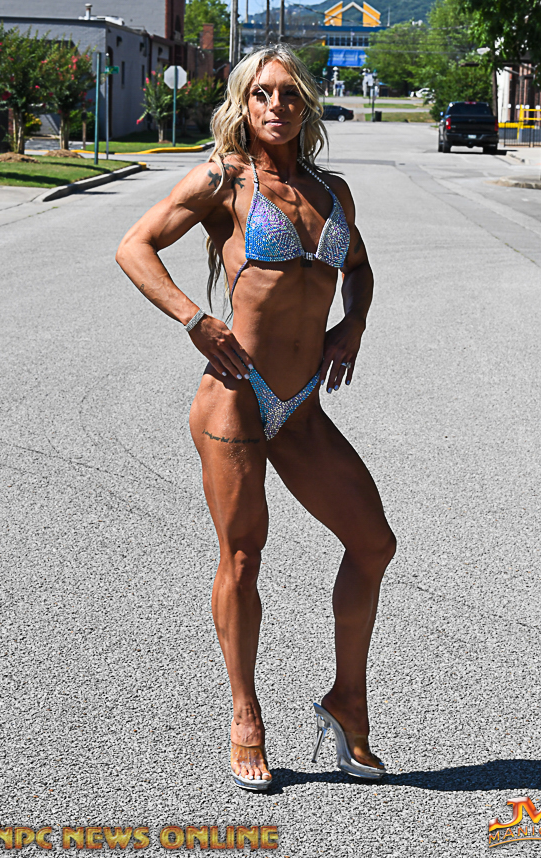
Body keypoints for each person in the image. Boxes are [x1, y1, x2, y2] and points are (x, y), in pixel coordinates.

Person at [115, 44, 397, 791]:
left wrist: (353, 324)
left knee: (373, 543)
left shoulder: (333, 192)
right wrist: (193, 319)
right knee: (243, 556)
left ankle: (347, 700)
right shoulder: (224, 179)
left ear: (307, 104)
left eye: (290, 94)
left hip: (300, 407)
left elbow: (359, 267)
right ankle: (245, 714)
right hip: (235, 398)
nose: (277, 106)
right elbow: (135, 246)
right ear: (244, 104)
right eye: (263, 94)